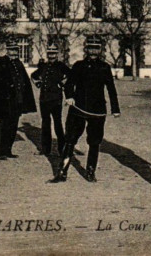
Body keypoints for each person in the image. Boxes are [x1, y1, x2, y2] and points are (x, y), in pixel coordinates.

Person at [51, 38, 120, 183]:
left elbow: (111, 89)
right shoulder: (78, 66)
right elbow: (69, 83)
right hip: (78, 108)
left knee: (94, 141)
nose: (94, 51)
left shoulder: (105, 67)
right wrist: (69, 96)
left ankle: (90, 171)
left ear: (100, 50)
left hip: (97, 110)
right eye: (91, 48)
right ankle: (62, 172)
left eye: (97, 48)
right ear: (86, 50)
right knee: (70, 139)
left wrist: (115, 108)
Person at [31, 44, 69, 156]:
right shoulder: (43, 66)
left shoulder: (61, 66)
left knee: (58, 124)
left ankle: (62, 149)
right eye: (50, 53)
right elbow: (33, 75)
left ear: (57, 54)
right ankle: (45, 149)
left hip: (56, 99)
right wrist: (38, 83)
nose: (51, 55)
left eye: (53, 53)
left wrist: (62, 83)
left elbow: (71, 75)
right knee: (45, 124)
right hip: (44, 99)